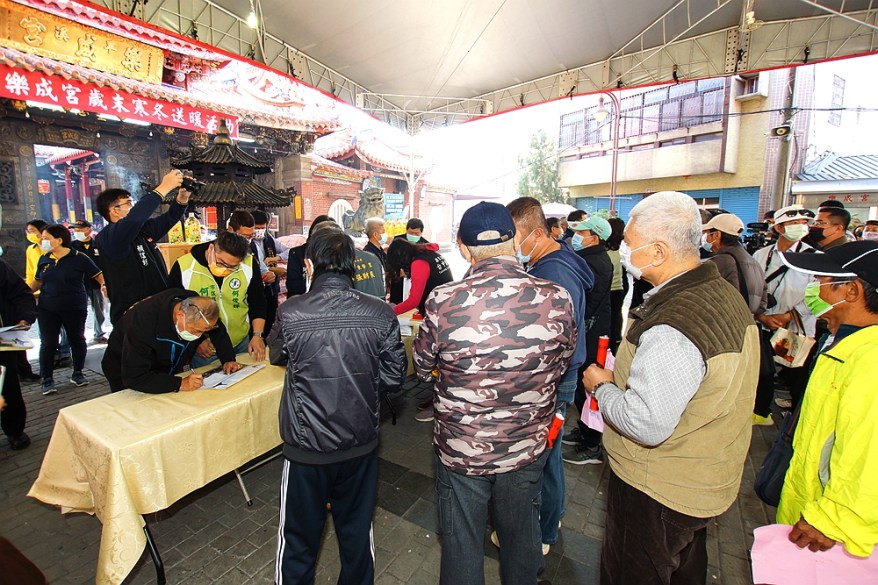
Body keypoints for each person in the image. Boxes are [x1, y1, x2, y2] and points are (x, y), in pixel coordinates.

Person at [582, 191, 759, 585]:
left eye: (630, 243)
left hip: (658, 487)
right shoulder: (718, 292)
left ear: (658, 251)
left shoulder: (675, 323)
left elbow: (646, 423)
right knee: (683, 568)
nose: (624, 250)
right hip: (702, 476)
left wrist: (602, 387)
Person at [413, 202, 576, 585]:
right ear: (515, 239)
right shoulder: (557, 297)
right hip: (526, 446)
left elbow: (421, 367)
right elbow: (563, 361)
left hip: (461, 450)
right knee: (521, 540)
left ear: (463, 248)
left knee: (461, 545)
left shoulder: (443, 301)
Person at [269, 229, 406, 585]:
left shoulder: (292, 311)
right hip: (359, 442)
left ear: (310, 264)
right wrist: (359, 392)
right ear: (352, 265)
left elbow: (276, 354)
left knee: (297, 540)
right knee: (357, 534)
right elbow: (394, 378)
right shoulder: (380, 312)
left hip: (307, 448)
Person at [776, 241, 878, 558]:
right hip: (810, 507)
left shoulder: (870, 360)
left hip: (830, 533)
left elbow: (869, 453)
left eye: (820, 281)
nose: (813, 290)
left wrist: (833, 517)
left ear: (852, 291)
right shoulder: (846, 345)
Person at [506, 196, 593, 554]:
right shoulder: (552, 262)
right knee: (549, 451)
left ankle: (543, 531)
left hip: (556, 374)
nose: (513, 246)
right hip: (559, 372)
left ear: (537, 233)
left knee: (544, 453)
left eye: (516, 237)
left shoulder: (554, 273)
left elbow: (557, 336)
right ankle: (550, 517)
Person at [94, 170, 189, 325]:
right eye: (128, 203)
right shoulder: (108, 237)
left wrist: (182, 197)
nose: (133, 207)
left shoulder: (142, 231)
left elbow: (170, 218)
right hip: (133, 315)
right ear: (114, 210)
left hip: (159, 307)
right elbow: (134, 220)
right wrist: (163, 188)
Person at [102, 290, 240, 393]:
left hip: (162, 368)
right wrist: (178, 384)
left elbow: (217, 329)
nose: (199, 336)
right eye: (196, 331)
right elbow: (134, 376)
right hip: (124, 371)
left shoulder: (197, 306)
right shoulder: (143, 323)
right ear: (180, 316)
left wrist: (228, 358)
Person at [168, 230, 266, 367]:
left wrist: (257, 335)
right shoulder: (184, 267)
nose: (225, 269)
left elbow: (258, 302)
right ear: (211, 248)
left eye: (232, 267)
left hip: (242, 342)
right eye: (221, 263)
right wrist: (197, 341)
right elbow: (173, 310)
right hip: (207, 348)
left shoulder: (248, 264)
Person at [753, 205, 817, 409]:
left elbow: (818, 295)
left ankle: (792, 412)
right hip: (763, 324)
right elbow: (752, 287)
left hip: (794, 328)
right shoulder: (761, 255)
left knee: (792, 372)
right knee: (763, 371)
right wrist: (761, 316)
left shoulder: (814, 257)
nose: (801, 226)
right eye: (794, 223)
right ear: (779, 228)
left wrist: (788, 316)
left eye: (803, 223)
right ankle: (762, 410)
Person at [30, 225, 104, 396]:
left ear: (59, 240)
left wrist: (104, 286)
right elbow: (38, 281)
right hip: (47, 308)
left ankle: (78, 373)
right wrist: (23, 292)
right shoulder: (44, 259)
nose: (42, 241)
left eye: (46, 238)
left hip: (74, 306)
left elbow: (98, 275)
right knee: (48, 343)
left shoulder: (79, 258)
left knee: (76, 339)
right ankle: (47, 379)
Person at [563, 216, 613, 465]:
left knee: (588, 386)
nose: (576, 237)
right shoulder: (590, 258)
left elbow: (586, 303)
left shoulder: (595, 262)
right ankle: (584, 431)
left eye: (581, 233)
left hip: (591, 333)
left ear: (594, 237)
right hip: (590, 329)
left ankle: (592, 444)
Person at [230, 210, 287, 338]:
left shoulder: (265, 242)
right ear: (231, 230)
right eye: (244, 236)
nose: (248, 240)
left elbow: (261, 268)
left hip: (260, 295)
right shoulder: (220, 251)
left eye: (250, 237)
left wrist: (269, 274)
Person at [0, 258, 37, 450]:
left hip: (3, 341)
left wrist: (25, 317)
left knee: (8, 386)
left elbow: (21, 293)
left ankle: (14, 431)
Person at [385, 238, 452, 316]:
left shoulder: (419, 263)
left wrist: (387, 314)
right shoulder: (430, 254)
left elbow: (413, 301)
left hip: (440, 312)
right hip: (447, 304)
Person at [70, 220, 108, 343]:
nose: (77, 232)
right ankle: (78, 336)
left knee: (99, 310)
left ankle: (99, 334)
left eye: (80, 229)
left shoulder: (98, 245)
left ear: (89, 230)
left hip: (97, 284)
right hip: (79, 284)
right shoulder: (71, 246)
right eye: (75, 230)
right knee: (78, 310)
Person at [285, 215, 332, 298]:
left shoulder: (338, 254)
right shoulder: (297, 253)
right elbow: (292, 286)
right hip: (302, 302)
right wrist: (310, 280)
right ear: (312, 234)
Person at [606, 217, 627, 353]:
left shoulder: (604, 251)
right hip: (619, 288)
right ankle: (614, 346)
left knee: (609, 320)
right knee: (616, 317)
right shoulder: (622, 249)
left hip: (609, 289)